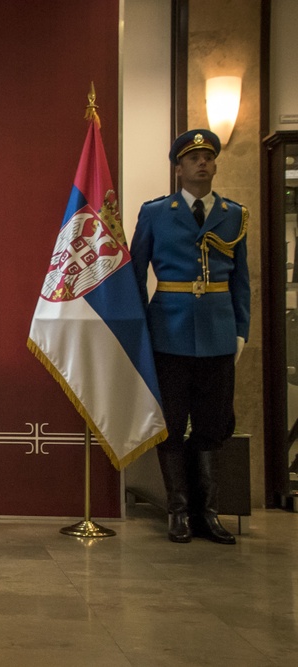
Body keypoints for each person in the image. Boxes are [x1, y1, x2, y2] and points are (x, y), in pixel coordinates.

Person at [130, 129, 249, 545]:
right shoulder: (157, 213)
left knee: (214, 425)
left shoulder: (234, 214)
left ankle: (208, 514)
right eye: (193, 157)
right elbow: (135, 274)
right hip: (169, 333)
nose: (202, 163)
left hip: (217, 335)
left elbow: (242, 282)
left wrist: (240, 330)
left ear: (215, 164)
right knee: (172, 424)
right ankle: (177, 512)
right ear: (178, 168)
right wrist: (142, 328)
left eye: (208, 157)